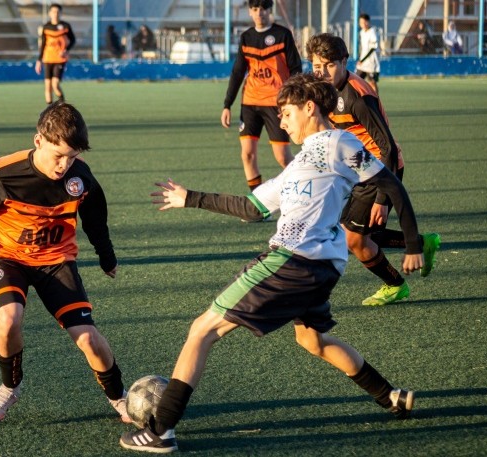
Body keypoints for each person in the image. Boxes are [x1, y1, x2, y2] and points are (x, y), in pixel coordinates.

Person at [119, 73, 420, 454]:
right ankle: (390, 396)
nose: (282, 121)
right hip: (319, 268)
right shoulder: (299, 164)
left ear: (310, 108)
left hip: (292, 260)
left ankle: (161, 431)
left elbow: (391, 183)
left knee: (202, 330)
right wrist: (190, 197)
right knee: (312, 340)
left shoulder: (338, 141)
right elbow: (251, 208)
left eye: (288, 113)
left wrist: (413, 244)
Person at [0, 101, 131, 424]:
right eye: (58, 155)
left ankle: (119, 397)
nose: (64, 165)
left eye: (73, 156)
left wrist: (106, 256)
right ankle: (9, 386)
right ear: (38, 141)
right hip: (6, 256)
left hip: (56, 260)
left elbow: (95, 217)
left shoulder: (80, 176)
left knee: (88, 338)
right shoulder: (4, 173)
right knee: (9, 318)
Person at [306, 33, 440, 306]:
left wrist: (381, 198)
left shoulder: (358, 97)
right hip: (359, 170)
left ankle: (396, 285)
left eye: (329, 65)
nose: (322, 72)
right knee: (357, 231)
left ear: (344, 62)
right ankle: (421, 242)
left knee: (353, 239)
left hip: (381, 170)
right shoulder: (324, 87)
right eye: (317, 66)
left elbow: (387, 148)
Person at [221, 0, 302, 199]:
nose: (260, 13)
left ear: (269, 11)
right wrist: (227, 105)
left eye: (264, 9)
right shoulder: (246, 37)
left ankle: (303, 193)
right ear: (250, 12)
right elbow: (238, 72)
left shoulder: (283, 35)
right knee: (247, 154)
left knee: (283, 157)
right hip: (249, 103)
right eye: (255, 9)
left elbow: (296, 69)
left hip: (276, 104)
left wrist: (291, 98)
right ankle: (258, 205)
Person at [35, 3, 75, 104]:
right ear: (49, 13)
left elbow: (73, 40)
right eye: (53, 11)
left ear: (61, 13)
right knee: (47, 86)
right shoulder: (46, 27)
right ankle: (49, 109)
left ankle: (62, 104)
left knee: (55, 84)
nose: (55, 14)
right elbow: (43, 44)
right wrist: (39, 60)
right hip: (48, 58)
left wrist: (66, 50)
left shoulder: (65, 26)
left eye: (57, 12)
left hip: (60, 59)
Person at [356, 13, 380, 94]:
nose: (363, 24)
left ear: (368, 22)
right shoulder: (362, 32)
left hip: (371, 62)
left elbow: (373, 48)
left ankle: (376, 101)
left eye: (364, 22)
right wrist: (360, 59)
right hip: (363, 63)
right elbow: (363, 48)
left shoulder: (372, 32)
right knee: (355, 80)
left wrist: (362, 59)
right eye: (361, 23)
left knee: (372, 83)